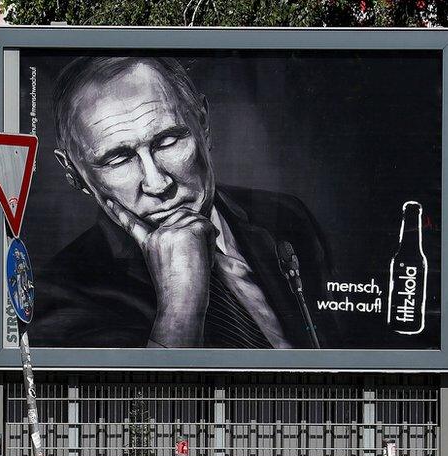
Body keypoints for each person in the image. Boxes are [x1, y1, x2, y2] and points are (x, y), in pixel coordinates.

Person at [29, 56, 339, 349]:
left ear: (203, 124)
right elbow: (137, 406)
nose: (158, 183)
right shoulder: (59, 294)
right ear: (75, 175)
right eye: (118, 159)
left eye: (167, 141)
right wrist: (180, 305)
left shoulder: (286, 216)